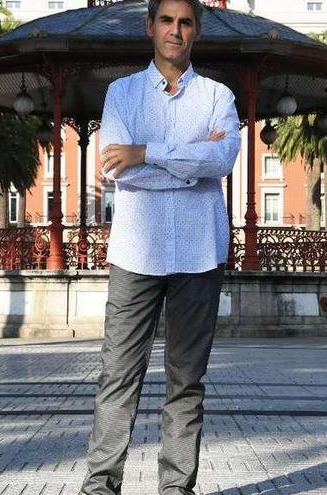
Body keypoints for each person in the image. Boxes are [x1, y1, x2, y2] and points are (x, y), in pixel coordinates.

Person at [80, 0, 240, 493]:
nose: (176, 30)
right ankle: (101, 484)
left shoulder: (219, 96)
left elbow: (222, 159)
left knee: (186, 382)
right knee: (117, 376)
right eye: (167, 20)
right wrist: (191, 165)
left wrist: (147, 153)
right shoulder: (121, 94)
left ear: (197, 32)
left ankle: (176, 488)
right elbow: (114, 168)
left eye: (185, 22)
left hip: (198, 254)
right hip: (136, 254)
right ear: (150, 27)